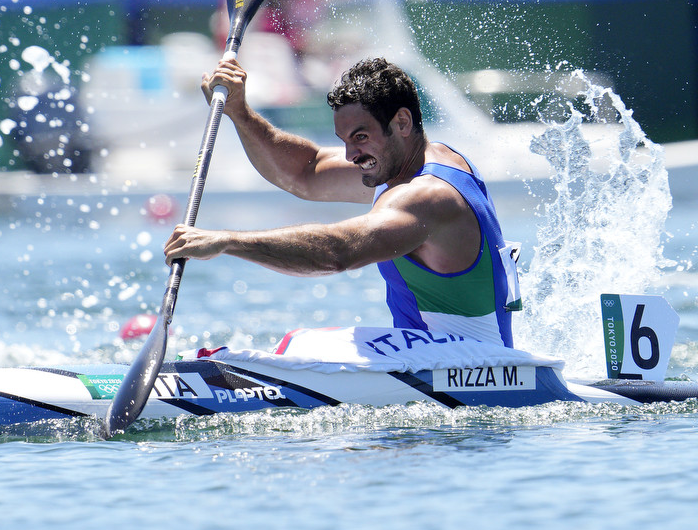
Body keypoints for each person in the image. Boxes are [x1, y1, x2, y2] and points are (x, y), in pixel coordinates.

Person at [164, 56, 521, 347]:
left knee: (303, 346)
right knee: (301, 343)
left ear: (402, 121)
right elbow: (304, 172)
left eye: (360, 137)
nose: (350, 155)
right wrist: (239, 112)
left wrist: (228, 241)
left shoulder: (429, 197)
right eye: (344, 139)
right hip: (429, 354)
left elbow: (338, 252)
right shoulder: (407, 161)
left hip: (467, 368)